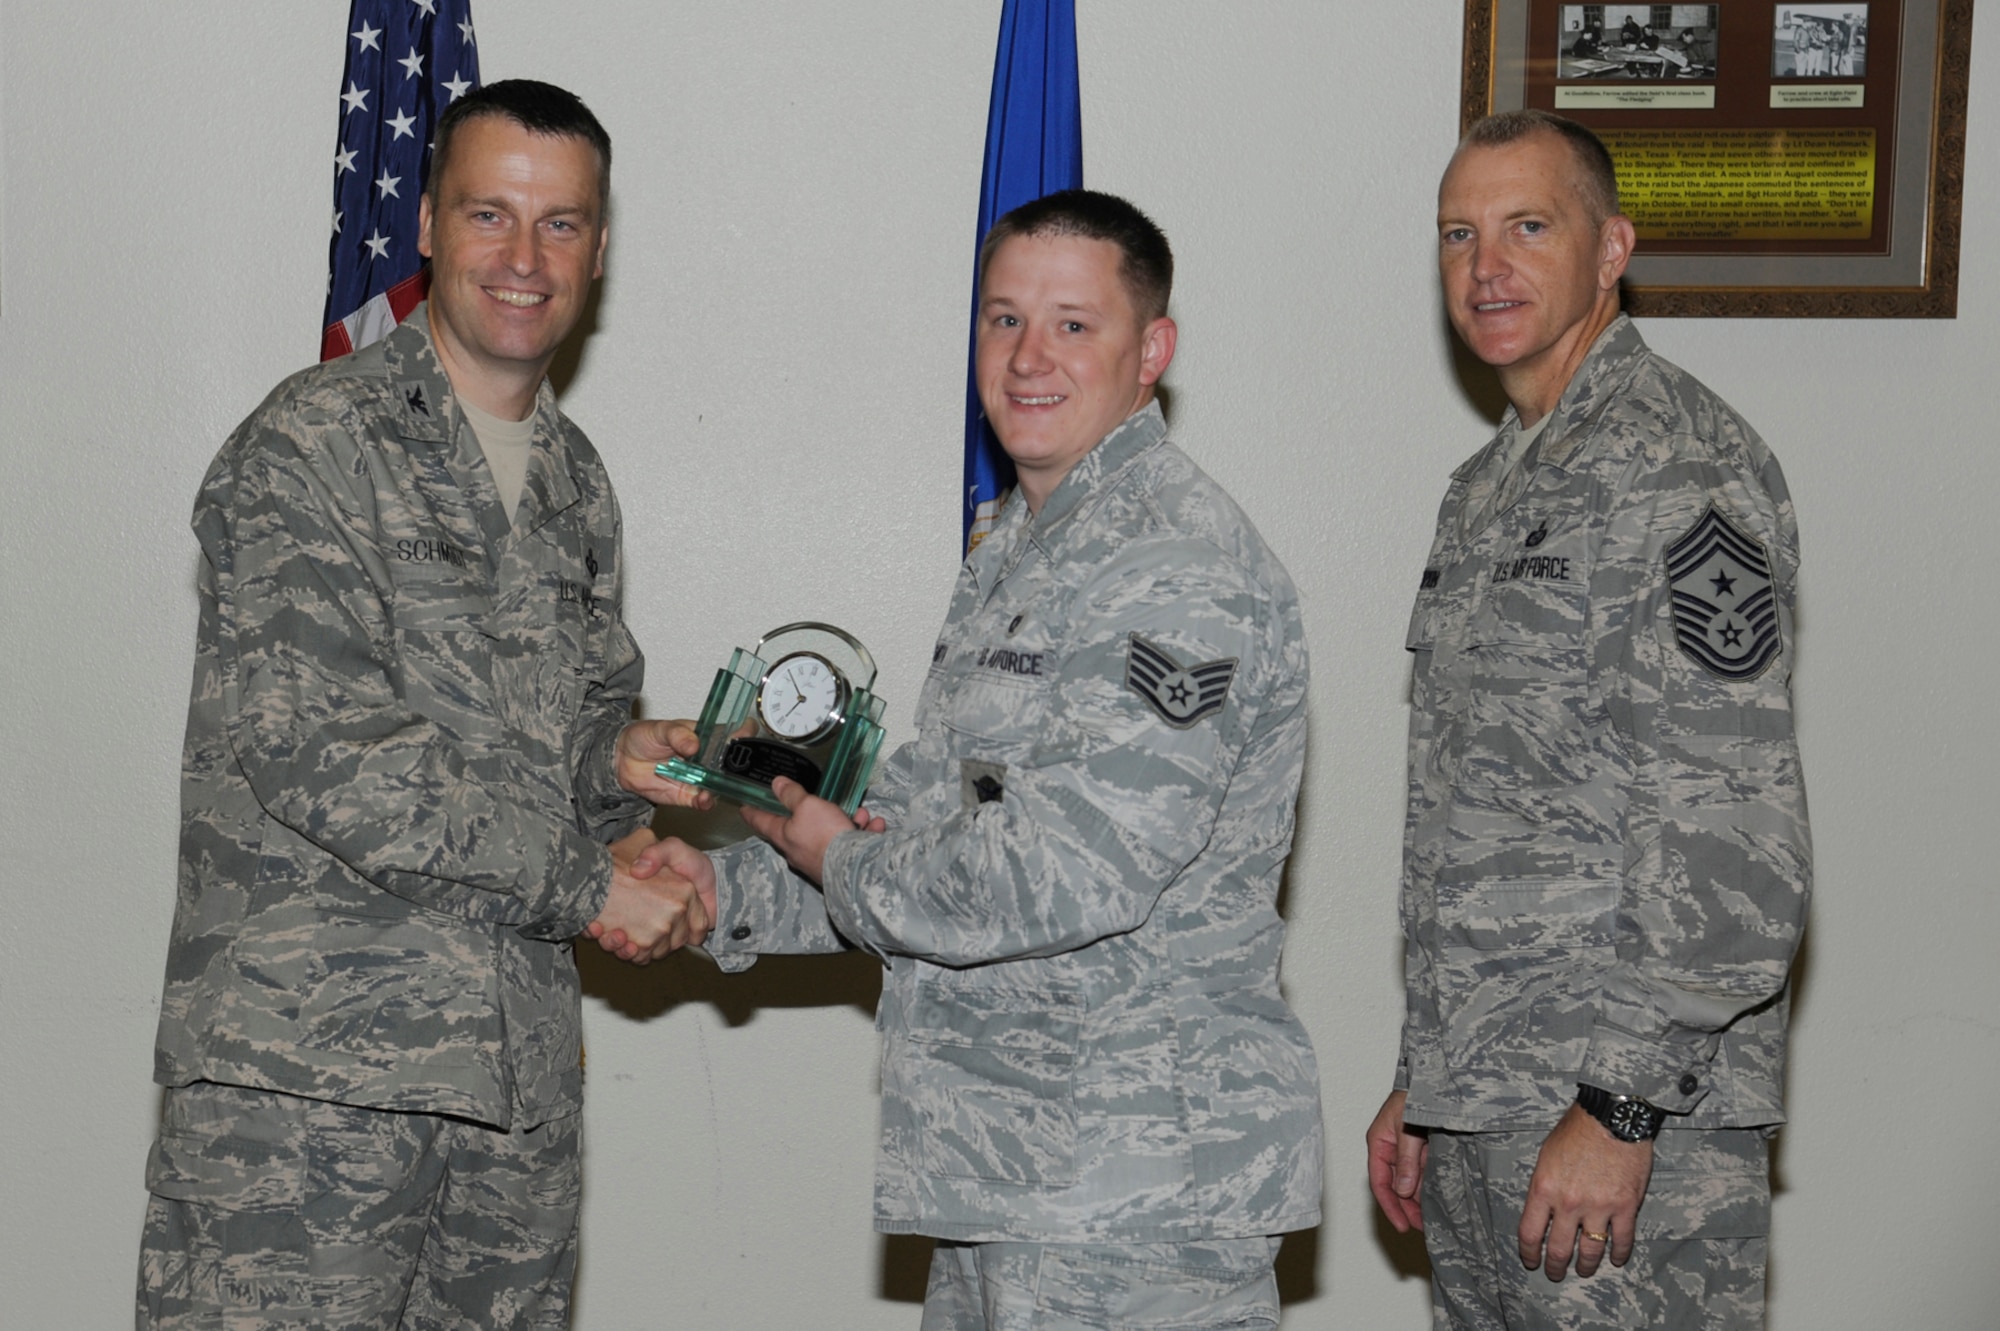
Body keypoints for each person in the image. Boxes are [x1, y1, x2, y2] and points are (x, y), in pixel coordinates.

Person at [618, 189, 1324, 1328]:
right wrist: (722, 892)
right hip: (1006, 1177)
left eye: (1071, 324)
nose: (1028, 357)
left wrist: (837, 861)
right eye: (1002, 320)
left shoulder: (1175, 564)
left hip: (1128, 1204)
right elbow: (922, 820)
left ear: (1151, 351)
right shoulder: (1016, 544)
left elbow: (1070, 868)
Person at [138, 80, 714, 1329]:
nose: (523, 258)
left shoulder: (573, 479)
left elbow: (546, 745)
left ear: (600, 248)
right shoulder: (311, 443)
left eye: (560, 224)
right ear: (429, 228)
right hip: (304, 1098)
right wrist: (591, 885)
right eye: (490, 215)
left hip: (509, 1100)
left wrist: (620, 757)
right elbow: (326, 751)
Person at [1365, 110, 1811, 1330]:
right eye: (1457, 234)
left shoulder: (1681, 466)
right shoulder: (1486, 487)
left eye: (1526, 226)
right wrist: (1426, 1077)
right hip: (1490, 1105)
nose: (1483, 266)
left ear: (1610, 249)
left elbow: (1730, 830)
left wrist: (1620, 1105)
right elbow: (1486, 809)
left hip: (1622, 1132)